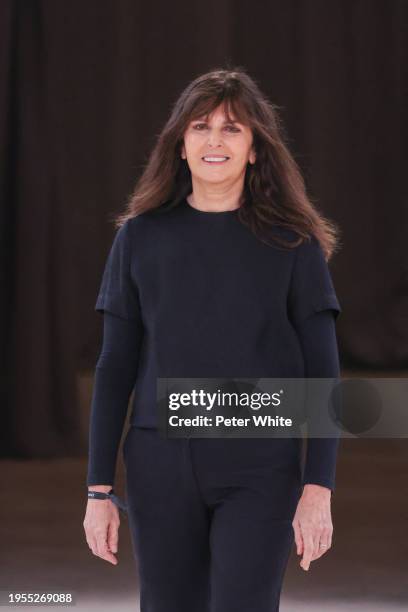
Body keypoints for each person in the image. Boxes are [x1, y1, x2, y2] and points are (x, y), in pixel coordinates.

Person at [83, 67, 342, 612]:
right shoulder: (139, 238)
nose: (214, 141)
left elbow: (324, 373)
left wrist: (318, 487)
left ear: (254, 149)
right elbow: (115, 366)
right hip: (159, 466)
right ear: (180, 144)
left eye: (233, 128)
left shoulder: (293, 245)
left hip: (259, 466)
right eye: (200, 127)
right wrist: (98, 490)